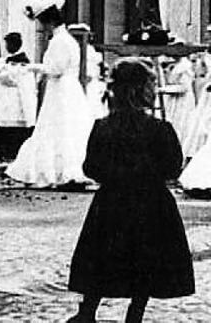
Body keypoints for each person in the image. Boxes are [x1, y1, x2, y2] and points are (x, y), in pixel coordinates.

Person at [67, 59, 194, 323]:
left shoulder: (103, 126)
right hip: (151, 204)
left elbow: (91, 168)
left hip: (111, 203)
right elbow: (172, 167)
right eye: (151, 83)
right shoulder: (159, 129)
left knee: (102, 257)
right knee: (144, 261)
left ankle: (87, 311)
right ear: (140, 89)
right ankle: (134, 315)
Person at [6, 0, 93, 189]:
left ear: (50, 22)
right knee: (68, 128)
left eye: (43, 24)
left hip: (62, 88)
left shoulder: (60, 41)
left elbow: (56, 69)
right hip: (68, 87)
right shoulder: (68, 40)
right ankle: (63, 170)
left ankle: (60, 172)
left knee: (58, 127)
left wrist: (33, 67)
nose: (43, 28)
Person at [0, 31, 36, 164]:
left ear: (15, 45)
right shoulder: (9, 62)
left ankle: (1, 156)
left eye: (8, 44)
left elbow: (6, 78)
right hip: (6, 101)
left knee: (8, 128)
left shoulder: (22, 63)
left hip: (14, 103)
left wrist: (1, 67)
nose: (6, 47)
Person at [161, 54, 195, 146]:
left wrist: (164, 89)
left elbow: (184, 87)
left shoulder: (185, 67)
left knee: (181, 125)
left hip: (183, 101)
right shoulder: (174, 65)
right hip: (174, 101)